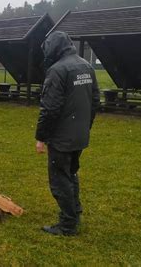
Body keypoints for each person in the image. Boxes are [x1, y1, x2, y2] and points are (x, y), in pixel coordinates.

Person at [35, 31, 100, 236]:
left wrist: (41, 137)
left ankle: (67, 224)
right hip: (79, 134)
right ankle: (75, 211)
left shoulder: (57, 70)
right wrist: (85, 126)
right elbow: (95, 101)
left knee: (59, 178)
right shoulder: (86, 66)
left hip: (62, 137)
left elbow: (50, 108)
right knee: (71, 173)